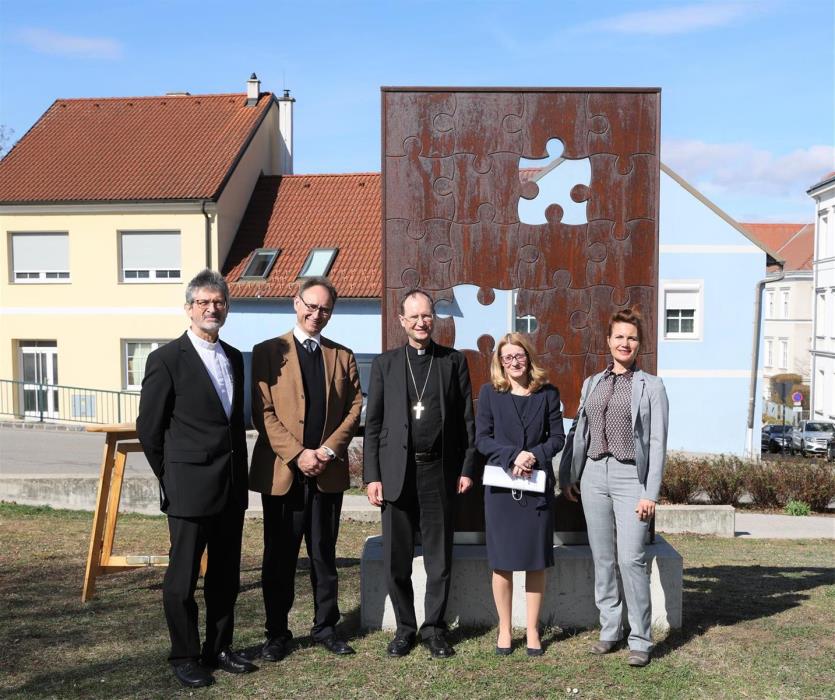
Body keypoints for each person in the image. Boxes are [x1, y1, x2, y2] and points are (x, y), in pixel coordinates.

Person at [137, 269, 256, 688]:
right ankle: (185, 655)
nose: (211, 308)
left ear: (227, 307)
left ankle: (218, 648)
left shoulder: (235, 357)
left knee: (225, 575)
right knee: (182, 578)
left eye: (218, 302)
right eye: (203, 302)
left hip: (230, 486)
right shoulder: (166, 359)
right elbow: (149, 429)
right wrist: (171, 475)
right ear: (189, 308)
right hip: (188, 487)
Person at [249, 276, 362, 662]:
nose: (317, 314)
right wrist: (298, 455)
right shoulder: (267, 352)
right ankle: (277, 633)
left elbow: (355, 408)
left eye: (325, 309)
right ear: (296, 303)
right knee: (279, 557)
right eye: (311, 306)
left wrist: (327, 451)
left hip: (327, 473)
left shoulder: (343, 356)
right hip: (283, 473)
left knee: (324, 555)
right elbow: (262, 412)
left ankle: (326, 627)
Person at [364, 288, 476, 659]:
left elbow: (466, 420)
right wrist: (372, 475)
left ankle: (435, 630)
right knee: (396, 558)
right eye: (413, 316)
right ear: (402, 321)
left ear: (434, 318)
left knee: (439, 558)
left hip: (438, 471)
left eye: (426, 315)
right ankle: (405, 629)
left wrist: (467, 467)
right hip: (397, 472)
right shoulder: (385, 364)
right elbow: (374, 424)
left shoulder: (452, 361)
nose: (421, 322)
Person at [560, 308, 669, 667]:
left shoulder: (652, 386)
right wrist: (571, 475)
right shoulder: (592, 382)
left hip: (631, 478)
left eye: (632, 338)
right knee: (603, 558)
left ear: (639, 344)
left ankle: (640, 639)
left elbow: (657, 443)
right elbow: (580, 433)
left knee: (631, 559)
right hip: (593, 475)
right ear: (608, 341)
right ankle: (610, 630)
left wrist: (650, 493)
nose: (625, 343)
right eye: (619, 336)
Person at [475, 333, 565, 656]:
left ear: (529, 357)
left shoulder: (548, 393)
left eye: (520, 356)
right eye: (508, 357)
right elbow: (482, 439)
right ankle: (504, 628)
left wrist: (533, 456)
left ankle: (532, 629)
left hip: (536, 489)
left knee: (535, 562)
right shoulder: (489, 394)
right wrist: (513, 455)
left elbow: (558, 438)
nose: (514, 362)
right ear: (500, 362)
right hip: (502, 490)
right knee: (502, 562)